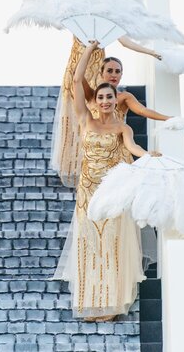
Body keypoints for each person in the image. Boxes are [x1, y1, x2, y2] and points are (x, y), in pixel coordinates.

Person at [53, 40, 159, 321]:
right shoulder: (85, 119)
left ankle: (110, 305)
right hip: (87, 193)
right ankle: (90, 304)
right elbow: (76, 79)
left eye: (109, 98)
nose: (104, 101)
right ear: (96, 100)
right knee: (89, 244)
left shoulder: (122, 126)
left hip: (112, 191)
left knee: (111, 246)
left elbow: (133, 149)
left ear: (115, 100)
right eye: (100, 98)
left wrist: (150, 155)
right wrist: (89, 48)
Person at [52, 35, 167, 186]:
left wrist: (168, 119)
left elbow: (142, 111)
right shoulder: (92, 97)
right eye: (110, 71)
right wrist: (86, 50)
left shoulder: (124, 98)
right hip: (95, 153)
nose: (113, 75)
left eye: (117, 71)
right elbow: (76, 78)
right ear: (101, 73)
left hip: (116, 150)